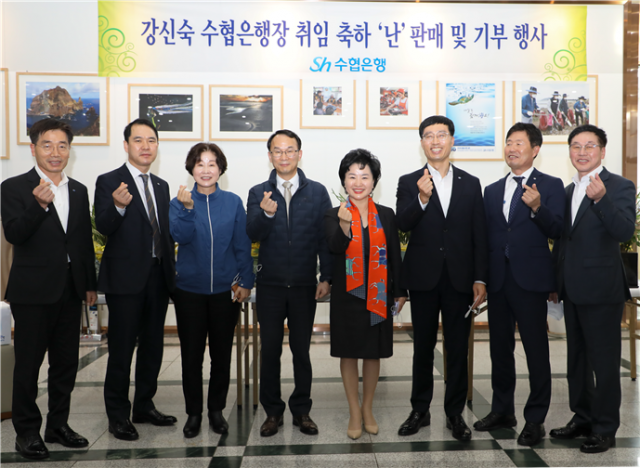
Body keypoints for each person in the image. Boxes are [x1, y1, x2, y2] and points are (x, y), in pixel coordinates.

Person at [1, 119, 97, 459]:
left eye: (62, 146)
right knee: (28, 366)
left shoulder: (79, 189)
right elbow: (14, 234)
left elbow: (82, 241)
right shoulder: (14, 187)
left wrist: (89, 285)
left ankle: (58, 426)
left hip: (71, 291)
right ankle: (26, 432)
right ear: (33, 148)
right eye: (47, 145)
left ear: (70, 149)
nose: (55, 153)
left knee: (65, 364)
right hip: (32, 292)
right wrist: (38, 205)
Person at [396, 115, 488, 441]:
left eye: (442, 135)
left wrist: (481, 277)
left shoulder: (470, 182)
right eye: (429, 136)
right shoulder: (409, 181)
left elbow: (479, 234)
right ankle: (420, 410)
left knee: (457, 349)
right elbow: (402, 225)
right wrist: (421, 199)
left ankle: (454, 413)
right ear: (421, 143)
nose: (435, 141)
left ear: (452, 140)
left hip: (461, 280)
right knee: (422, 348)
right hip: (423, 278)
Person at [476, 123, 565, 446]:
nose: (512, 148)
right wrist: (481, 279)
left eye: (519, 143)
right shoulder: (492, 190)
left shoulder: (552, 186)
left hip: (531, 281)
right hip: (499, 280)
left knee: (536, 351)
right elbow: (486, 239)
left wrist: (538, 207)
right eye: (508, 143)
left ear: (535, 149)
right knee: (500, 349)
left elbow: (558, 230)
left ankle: (535, 418)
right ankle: (503, 410)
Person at [550, 125, 635, 454]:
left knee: (604, 362)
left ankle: (604, 428)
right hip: (571, 289)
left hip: (602, 290)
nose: (582, 151)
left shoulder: (619, 186)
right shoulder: (569, 189)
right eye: (575, 146)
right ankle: (582, 417)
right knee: (578, 361)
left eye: (589, 146)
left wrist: (601, 200)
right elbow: (563, 240)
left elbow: (624, 230)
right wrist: (555, 284)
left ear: (602, 151)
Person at [246, 129, 332, 437]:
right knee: (269, 351)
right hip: (269, 285)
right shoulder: (259, 192)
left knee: (301, 351)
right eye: (277, 151)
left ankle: (302, 411)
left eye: (290, 150)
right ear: (270, 156)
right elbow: (253, 233)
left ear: (299, 153)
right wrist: (266, 216)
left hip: (304, 286)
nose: (284, 156)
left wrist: (327, 277)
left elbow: (324, 238)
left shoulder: (317, 191)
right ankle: (272, 412)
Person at [95, 118, 177, 441]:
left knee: (153, 347)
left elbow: (164, 234)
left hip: (158, 278)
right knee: (122, 349)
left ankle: (144, 404)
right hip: (125, 281)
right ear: (126, 144)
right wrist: (117, 205)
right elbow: (103, 225)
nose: (146, 146)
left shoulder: (161, 185)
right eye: (138, 140)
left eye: (152, 141)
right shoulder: (109, 181)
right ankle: (118, 415)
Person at [169, 143, 254, 438]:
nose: (206, 170)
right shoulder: (179, 200)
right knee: (191, 355)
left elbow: (242, 245)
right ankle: (193, 413)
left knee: (221, 354)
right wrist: (188, 209)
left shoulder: (232, 202)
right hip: (189, 291)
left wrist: (246, 281)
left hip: (224, 291)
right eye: (200, 164)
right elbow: (180, 236)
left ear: (221, 169)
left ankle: (216, 410)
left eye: (212, 164)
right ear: (191, 168)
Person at [324, 149, 407, 440]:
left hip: (378, 294)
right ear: (344, 181)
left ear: (374, 182)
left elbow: (395, 256)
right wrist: (345, 224)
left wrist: (401, 292)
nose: (358, 182)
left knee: (373, 353)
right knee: (348, 352)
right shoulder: (333, 215)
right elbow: (334, 249)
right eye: (352, 176)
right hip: (347, 295)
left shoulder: (386, 215)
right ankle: (354, 411)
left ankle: (368, 408)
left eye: (364, 176)